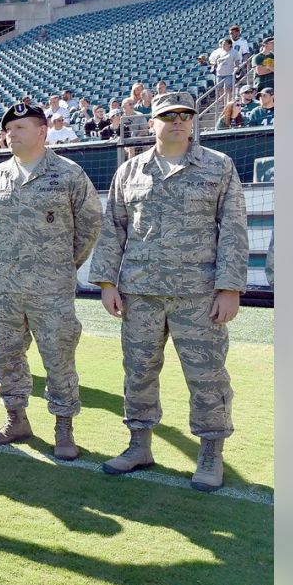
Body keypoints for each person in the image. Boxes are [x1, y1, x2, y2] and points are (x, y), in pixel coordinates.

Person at [89, 91, 249, 492]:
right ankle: (139, 444)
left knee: (206, 376)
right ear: (152, 124)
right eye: (168, 115)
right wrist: (107, 282)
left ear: (193, 122)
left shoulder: (218, 167)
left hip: (197, 295)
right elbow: (114, 229)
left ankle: (210, 453)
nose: (178, 121)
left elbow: (233, 229)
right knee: (138, 372)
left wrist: (229, 288)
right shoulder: (131, 171)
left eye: (185, 115)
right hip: (140, 294)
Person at [0, 102, 103, 460]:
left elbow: (90, 225)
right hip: (5, 288)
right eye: (9, 129)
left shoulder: (68, 174)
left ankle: (64, 428)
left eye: (20, 128)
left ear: (42, 131)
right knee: (5, 353)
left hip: (51, 289)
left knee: (58, 356)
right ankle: (16, 419)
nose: (11, 134)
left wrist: (62, 264)